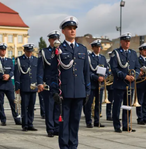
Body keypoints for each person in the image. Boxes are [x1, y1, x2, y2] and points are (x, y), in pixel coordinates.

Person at [55, 16, 90, 149]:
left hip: (79, 92)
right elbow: (54, 72)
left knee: (75, 123)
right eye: (69, 28)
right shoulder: (59, 49)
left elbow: (86, 71)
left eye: (74, 28)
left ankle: (73, 146)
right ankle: (64, 147)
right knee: (64, 124)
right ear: (63, 31)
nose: (72, 31)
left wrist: (87, 90)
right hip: (64, 92)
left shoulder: (82, 49)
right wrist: (54, 90)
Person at [110, 32, 140, 133]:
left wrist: (134, 76)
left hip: (130, 84)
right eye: (125, 41)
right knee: (117, 106)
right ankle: (117, 125)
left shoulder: (133, 53)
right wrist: (125, 76)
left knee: (127, 106)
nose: (127, 43)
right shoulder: (116, 53)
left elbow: (137, 67)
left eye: (128, 41)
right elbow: (114, 68)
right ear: (121, 42)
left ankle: (126, 125)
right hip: (119, 84)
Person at [37, 30, 60, 137]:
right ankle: (50, 129)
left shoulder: (62, 51)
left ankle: (57, 127)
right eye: (53, 39)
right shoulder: (44, 52)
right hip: (48, 83)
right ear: (49, 40)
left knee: (58, 107)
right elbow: (40, 69)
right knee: (49, 107)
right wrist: (40, 82)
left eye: (57, 39)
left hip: (59, 83)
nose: (55, 41)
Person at [0, 43, 22, 126]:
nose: (3, 51)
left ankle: (17, 118)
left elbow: (13, 70)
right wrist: (1, 76)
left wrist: (9, 75)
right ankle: (3, 119)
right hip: (0, 84)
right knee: (0, 103)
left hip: (8, 85)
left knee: (13, 102)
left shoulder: (9, 60)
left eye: (4, 50)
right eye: (2, 50)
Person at [14, 43, 40, 131]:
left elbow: (38, 73)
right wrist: (17, 87)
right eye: (28, 51)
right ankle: (24, 124)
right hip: (24, 86)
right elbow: (17, 74)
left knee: (32, 106)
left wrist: (39, 84)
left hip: (33, 86)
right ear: (24, 51)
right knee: (24, 106)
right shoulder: (20, 60)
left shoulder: (36, 60)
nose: (29, 53)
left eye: (31, 51)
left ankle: (30, 123)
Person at [84, 39, 107, 128]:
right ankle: (88, 121)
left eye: (99, 47)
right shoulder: (89, 57)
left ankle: (97, 121)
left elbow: (107, 69)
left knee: (98, 104)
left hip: (100, 85)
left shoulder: (102, 58)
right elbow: (88, 72)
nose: (98, 49)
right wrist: (97, 78)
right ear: (93, 48)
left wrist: (104, 77)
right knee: (89, 104)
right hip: (92, 84)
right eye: (96, 47)